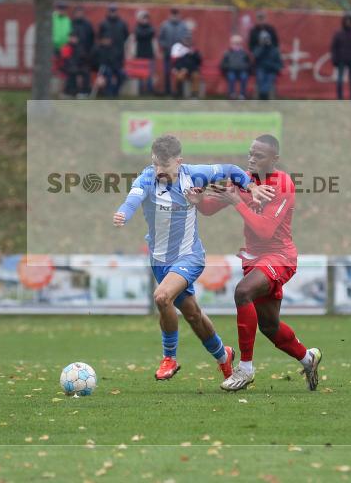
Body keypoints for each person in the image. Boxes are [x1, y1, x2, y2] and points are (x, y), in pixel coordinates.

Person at [112, 134, 273, 381]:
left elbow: (230, 169)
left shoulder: (194, 174)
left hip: (190, 256)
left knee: (162, 297)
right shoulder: (146, 178)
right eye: (155, 163)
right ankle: (224, 356)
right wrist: (123, 213)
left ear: (179, 161)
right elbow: (132, 199)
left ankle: (169, 358)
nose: (158, 170)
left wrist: (250, 186)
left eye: (164, 166)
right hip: (160, 261)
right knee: (193, 315)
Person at [191, 134, 322, 391]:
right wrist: (198, 200)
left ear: (274, 159)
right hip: (254, 259)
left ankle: (246, 369)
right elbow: (208, 208)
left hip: (280, 257)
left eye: (258, 156)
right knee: (270, 327)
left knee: (243, 292)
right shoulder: (242, 181)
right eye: (250, 153)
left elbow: (264, 231)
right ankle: (309, 359)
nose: (251, 159)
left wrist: (236, 201)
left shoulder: (282, 184)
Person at [330, 13, 351, 100]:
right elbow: (334, 48)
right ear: (343, 22)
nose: (348, 23)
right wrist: (334, 59)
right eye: (346, 21)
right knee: (340, 80)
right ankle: (340, 98)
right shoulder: (338, 34)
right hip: (341, 59)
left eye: (349, 21)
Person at [158, 8, 190, 95]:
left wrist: (182, 46)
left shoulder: (183, 26)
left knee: (180, 73)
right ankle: (167, 90)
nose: (175, 17)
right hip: (168, 54)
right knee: (167, 72)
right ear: (170, 15)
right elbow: (160, 38)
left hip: (180, 56)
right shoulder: (165, 25)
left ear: (179, 15)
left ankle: (179, 91)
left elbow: (188, 38)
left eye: (176, 15)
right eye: (173, 15)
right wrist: (165, 46)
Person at [170, 34, 203, 99]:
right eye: (186, 40)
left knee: (196, 76)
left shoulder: (195, 50)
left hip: (193, 70)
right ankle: (177, 93)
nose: (187, 42)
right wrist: (179, 68)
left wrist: (194, 54)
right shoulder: (181, 50)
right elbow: (178, 62)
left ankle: (194, 94)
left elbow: (199, 62)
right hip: (183, 70)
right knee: (179, 76)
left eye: (189, 40)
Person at [253, 31, 283, 100]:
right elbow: (256, 56)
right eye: (263, 39)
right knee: (260, 79)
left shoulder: (274, 50)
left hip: (271, 70)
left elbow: (279, 63)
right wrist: (262, 47)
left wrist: (276, 67)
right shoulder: (258, 48)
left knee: (269, 81)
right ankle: (262, 96)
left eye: (267, 38)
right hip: (261, 69)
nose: (265, 40)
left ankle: (264, 95)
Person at [220, 35, 251, 99]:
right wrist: (229, 67)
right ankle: (232, 94)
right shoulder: (227, 53)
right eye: (235, 43)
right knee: (231, 78)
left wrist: (245, 67)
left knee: (244, 77)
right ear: (231, 44)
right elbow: (223, 64)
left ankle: (242, 94)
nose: (237, 45)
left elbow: (249, 64)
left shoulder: (244, 53)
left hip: (242, 71)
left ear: (241, 44)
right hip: (231, 71)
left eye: (238, 43)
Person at [133, 10, 157, 94]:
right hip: (140, 54)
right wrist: (146, 33)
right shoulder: (137, 27)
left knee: (150, 73)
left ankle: (150, 90)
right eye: (143, 18)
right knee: (140, 73)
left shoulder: (150, 27)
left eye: (146, 18)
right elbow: (140, 34)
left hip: (149, 53)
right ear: (139, 19)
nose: (145, 20)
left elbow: (152, 32)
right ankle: (141, 90)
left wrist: (145, 33)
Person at [60, 32, 88, 97]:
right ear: (69, 38)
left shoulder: (80, 47)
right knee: (72, 71)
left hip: (78, 66)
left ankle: (83, 91)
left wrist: (81, 65)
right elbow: (66, 59)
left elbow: (83, 58)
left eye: (74, 38)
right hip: (67, 66)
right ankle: (69, 91)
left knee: (85, 72)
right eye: (72, 37)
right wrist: (74, 65)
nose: (73, 39)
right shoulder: (66, 47)